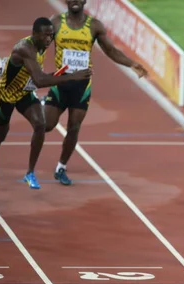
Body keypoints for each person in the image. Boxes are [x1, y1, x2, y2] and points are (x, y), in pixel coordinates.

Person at [43, 0, 148, 186]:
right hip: (60, 83)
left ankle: (61, 167)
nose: (75, 1)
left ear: (84, 1)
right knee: (46, 125)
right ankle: (41, 104)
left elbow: (111, 51)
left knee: (74, 127)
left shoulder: (94, 26)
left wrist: (131, 64)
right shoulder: (56, 22)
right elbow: (39, 46)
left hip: (81, 86)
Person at [0, 17, 91, 188]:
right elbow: (40, 81)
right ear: (34, 34)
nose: (49, 40)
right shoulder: (24, 48)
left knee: (40, 124)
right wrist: (71, 77)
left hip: (25, 93)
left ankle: (30, 173)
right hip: (6, 95)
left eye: (51, 35)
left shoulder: (42, 45)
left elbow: (36, 77)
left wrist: (61, 74)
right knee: (1, 134)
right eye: (45, 36)